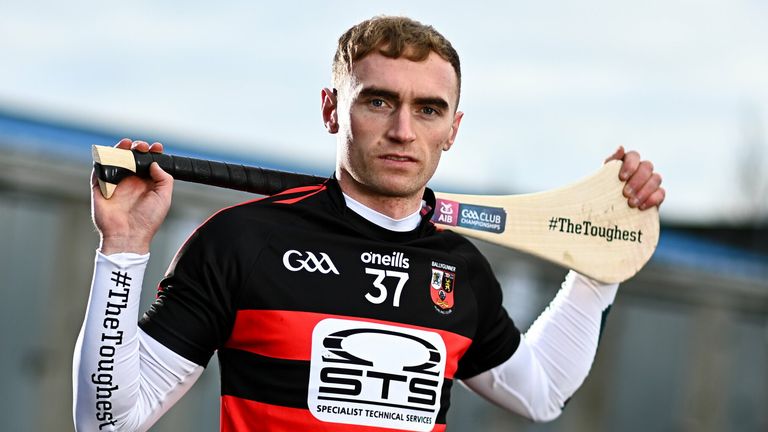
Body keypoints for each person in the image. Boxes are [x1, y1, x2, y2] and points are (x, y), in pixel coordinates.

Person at [73, 15, 665, 432]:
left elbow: (541, 395)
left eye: (428, 109)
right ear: (333, 109)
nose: (404, 130)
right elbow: (108, 420)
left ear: (452, 129)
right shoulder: (242, 243)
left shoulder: (463, 271)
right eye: (378, 101)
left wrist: (599, 265)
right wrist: (124, 246)